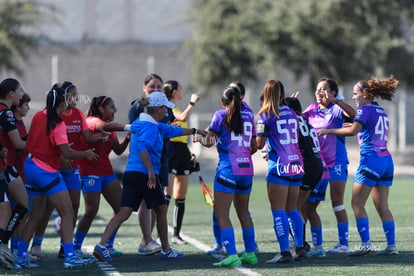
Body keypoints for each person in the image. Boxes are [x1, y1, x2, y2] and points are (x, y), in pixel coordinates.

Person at [93, 92, 207, 262]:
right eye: (164, 109)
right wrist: (151, 172)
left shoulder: (146, 122)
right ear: (158, 109)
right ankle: (166, 250)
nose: (166, 113)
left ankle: (101, 246)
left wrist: (195, 131)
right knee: (161, 209)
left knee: (124, 212)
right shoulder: (151, 127)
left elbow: (172, 130)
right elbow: (143, 148)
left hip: (131, 174)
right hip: (144, 175)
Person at [14, 85, 98, 269]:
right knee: (68, 212)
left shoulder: (39, 116)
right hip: (46, 171)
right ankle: (69, 256)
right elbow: (66, 153)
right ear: (63, 101)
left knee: (34, 216)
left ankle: (20, 256)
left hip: (30, 167)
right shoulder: (58, 124)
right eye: (68, 98)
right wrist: (85, 154)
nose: (72, 100)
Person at [317, 76, 399, 256]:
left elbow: (353, 131)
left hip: (371, 160)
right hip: (386, 160)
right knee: (382, 206)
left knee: (356, 203)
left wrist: (328, 130)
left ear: (366, 94)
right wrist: (356, 126)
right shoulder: (380, 110)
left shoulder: (364, 109)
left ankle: (365, 244)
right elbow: (365, 128)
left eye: (355, 94)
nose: (354, 98)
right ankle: (392, 246)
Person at [29, 82, 108, 259]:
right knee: (48, 208)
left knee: (73, 206)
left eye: (77, 94)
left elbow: (87, 136)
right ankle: (37, 244)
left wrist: (99, 137)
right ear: (63, 98)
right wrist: (63, 157)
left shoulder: (78, 114)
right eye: (72, 94)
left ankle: (65, 248)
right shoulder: (53, 116)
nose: (76, 98)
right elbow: (51, 142)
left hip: (73, 167)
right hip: (54, 166)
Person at [195, 86, 258, 267]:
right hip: (247, 169)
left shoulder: (220, 115)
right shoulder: (249, 116)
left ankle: (232, 254)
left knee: (221, 213)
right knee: (244, 212)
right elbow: (254, 147)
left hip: (228, 169)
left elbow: (208, 142)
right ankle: (251, 253)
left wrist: (199, 138)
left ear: (223, 102)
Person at [302, 78, 356, 253]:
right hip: (317, 165)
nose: (319, 92)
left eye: (323, 89)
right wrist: (287, 105)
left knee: (337, 202)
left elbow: (355, 116)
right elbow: (294, 122)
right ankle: (315, 246)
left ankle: (343, 245)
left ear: (333, 92)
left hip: (336, 163)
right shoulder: (311, 110)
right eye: (317, 89)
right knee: (308, 206)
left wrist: (337, 101)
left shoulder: (336, 110)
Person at [73, 95, 130, 257]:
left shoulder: (109, 128)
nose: (115, 110)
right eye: (112, 107)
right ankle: (76, 247)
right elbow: (104, 125)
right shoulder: (91, 121)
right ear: (101, 109)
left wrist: (127, 139)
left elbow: (118, 150)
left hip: (106, 172)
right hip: (89, 173)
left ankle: (108, 245)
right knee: (91, 211)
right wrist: (129, 127)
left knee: (120, 209)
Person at [256, 80, 305, 263]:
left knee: (278, 211)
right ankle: (299, 247)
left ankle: (284, 252)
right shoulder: (292, 113)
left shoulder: (265, 115)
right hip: (296, 164)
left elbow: (259, 144)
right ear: (283, 95)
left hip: (279, 165)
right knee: (292, 209)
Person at [128, 73, 172, 256]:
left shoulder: (166, 106)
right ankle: (146, 240)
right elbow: (140, 136)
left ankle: (149, 240)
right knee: (145, 202)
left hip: (161, 158)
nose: (155, 89)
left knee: (158, 201)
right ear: (144, 88)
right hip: (145, 162)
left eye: (159, 86)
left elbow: (169, 128)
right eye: (152, 86)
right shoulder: (138, 107)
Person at [163, 80, 200, 244]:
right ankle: (159, 233)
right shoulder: (168, 107)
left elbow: (182, 133)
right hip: (170, 151)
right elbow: (183, 117)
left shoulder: (175, 107)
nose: (182, 90)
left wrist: (190, 152)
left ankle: (176, 234)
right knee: (167, 194)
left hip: (183, 151)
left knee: (181, 195)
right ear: (173, 91)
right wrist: (192, 103)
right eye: (180, 88)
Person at [0, 78, 28, 257]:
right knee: (8, 206)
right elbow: (18, 143)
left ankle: (5, 244)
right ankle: (3, 243)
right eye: (20, 90)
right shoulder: (6, 114)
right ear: (11, 94)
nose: (22, 94)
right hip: (5, 166)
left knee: (19, 205)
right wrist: (43, 143)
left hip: (7, 166)